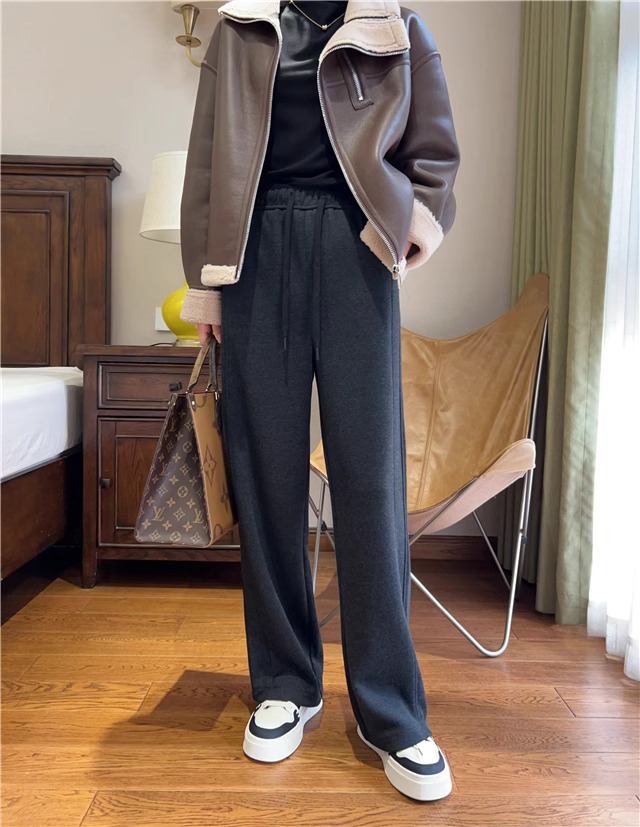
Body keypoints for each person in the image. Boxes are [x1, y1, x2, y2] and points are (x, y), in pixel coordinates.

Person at [179, 0, 460, 802]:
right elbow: (207, 166)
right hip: (255, 254)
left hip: (355, 248)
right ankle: (284, 683)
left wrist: (409, 230)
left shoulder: (395, 25)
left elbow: (436, 152)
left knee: (369, 479)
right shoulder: (239, 29)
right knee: (264, 470)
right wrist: (209, 287)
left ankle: (391, 710)